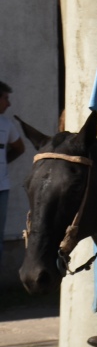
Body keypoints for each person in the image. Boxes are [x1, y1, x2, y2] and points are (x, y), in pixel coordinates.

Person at [0, 81, 26, 272]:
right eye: (5, 99)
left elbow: (19, 148)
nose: (8, 104)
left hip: (1, 188)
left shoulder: (6, 125)